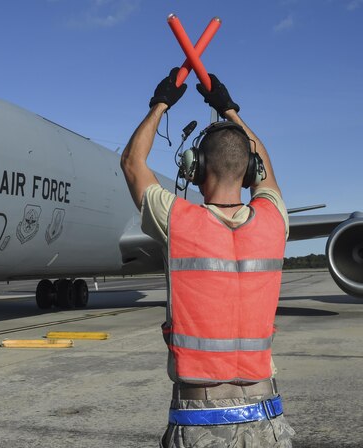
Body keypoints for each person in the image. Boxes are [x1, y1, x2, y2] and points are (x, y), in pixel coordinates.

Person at [120, 68, 295, 447]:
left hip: (200, 419)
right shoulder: (273, 220)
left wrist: (160, 103)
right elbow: (266, 171)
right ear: (250, 171)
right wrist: (230, 110)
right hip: (266, 416)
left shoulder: (179, 222)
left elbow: (133, 163)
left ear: (195, 170)